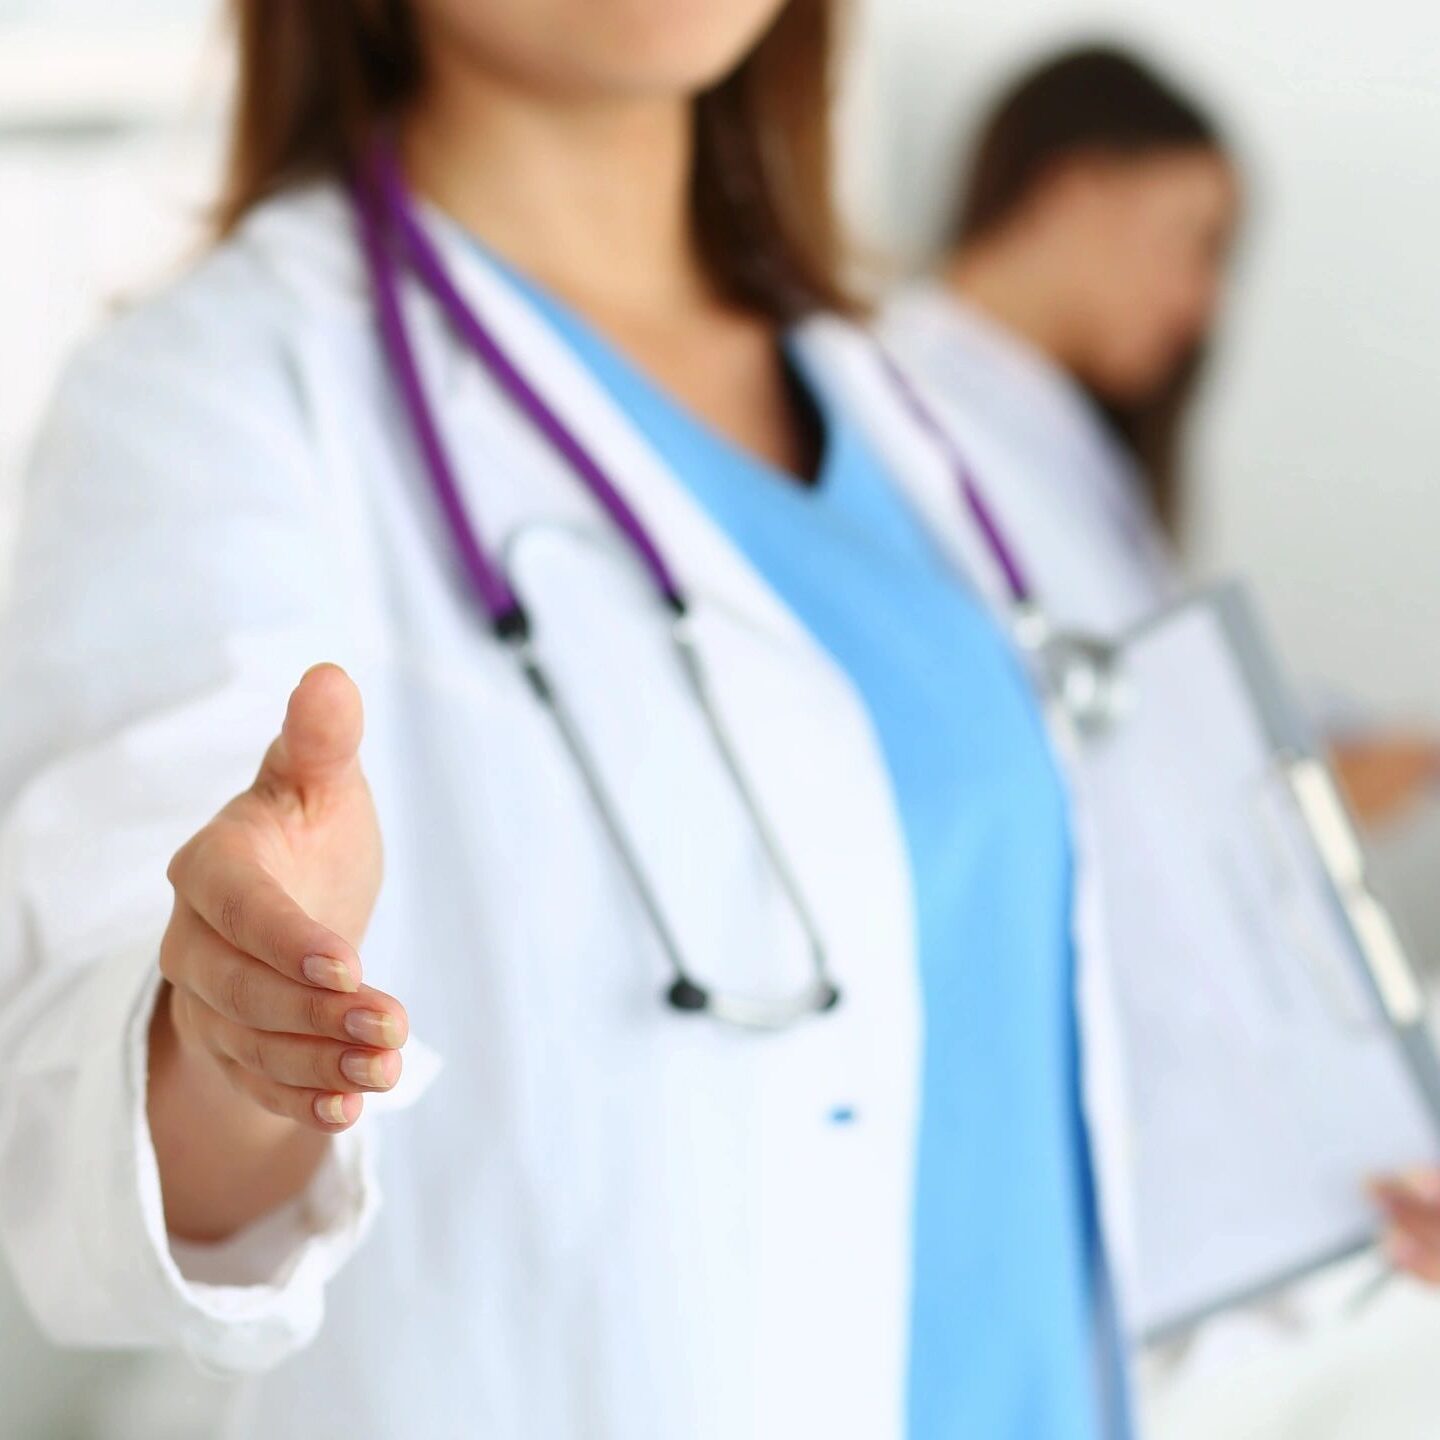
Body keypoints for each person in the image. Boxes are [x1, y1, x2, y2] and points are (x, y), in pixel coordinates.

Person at [1, 8, 1438, 1438]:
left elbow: (1028, 1054)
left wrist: (1340, 1182)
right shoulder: (221, 396)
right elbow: (107, 1153)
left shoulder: (914, 400)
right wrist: (242, 1037)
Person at [879, 44, 1440, 828]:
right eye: (1194, 239)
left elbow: (1162, 678)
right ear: (1071, 195)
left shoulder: (1048, 428)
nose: (1202, 305)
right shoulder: (893, 408)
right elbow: (1104, 735)